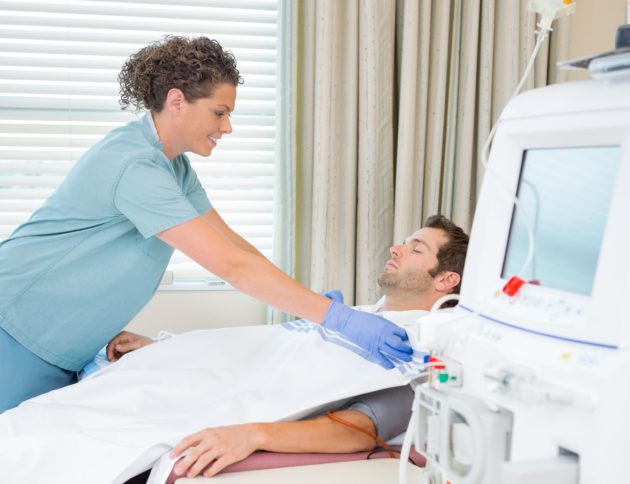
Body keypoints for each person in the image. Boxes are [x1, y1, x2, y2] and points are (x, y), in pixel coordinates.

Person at [0, 36, 412, 413]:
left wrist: (308, 305)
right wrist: (336, 318)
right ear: (176, 100)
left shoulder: (172, 167)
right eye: (220, 112)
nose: (226, 127)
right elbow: (229, 267)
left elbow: (234, 248)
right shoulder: (134, 164)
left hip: (55, 344)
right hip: (16, 329)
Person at [112, 215, 469, 481]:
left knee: (114, 445)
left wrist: (252, 433)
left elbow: (356, 428)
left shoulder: (416, 346)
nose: (397, 248)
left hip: (234, 405)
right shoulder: (358, 316)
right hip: (223, 385)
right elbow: (264, 349)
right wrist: (164, 349)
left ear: (446, 280)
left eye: (416, 248)